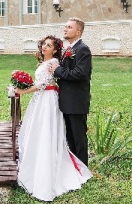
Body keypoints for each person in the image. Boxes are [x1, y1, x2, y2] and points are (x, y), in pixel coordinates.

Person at [14, 35, 92, 202]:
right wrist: (22, 84)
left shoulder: (54, 63)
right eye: (43, 44)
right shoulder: (44, 63)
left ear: (55, 49)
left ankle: (49, 167)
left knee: (46, 131)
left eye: (48, 45)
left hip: (48, 100)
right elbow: (40, 81)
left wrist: (22, 91)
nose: (44, 47)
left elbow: (42, 84)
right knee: (36, 130)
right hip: (41, 100)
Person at [49, 17, 92, 166]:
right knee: (70, 137)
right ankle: (75, 167)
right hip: (66, 101)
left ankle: (83, 169)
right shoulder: (69, 49)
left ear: (78, 31)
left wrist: (58, 70)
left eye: (69, 27)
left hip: (76, 101)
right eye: (65, 26)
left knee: (79, 137)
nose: (65, 29)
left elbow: (80, 74)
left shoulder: (82, 49)